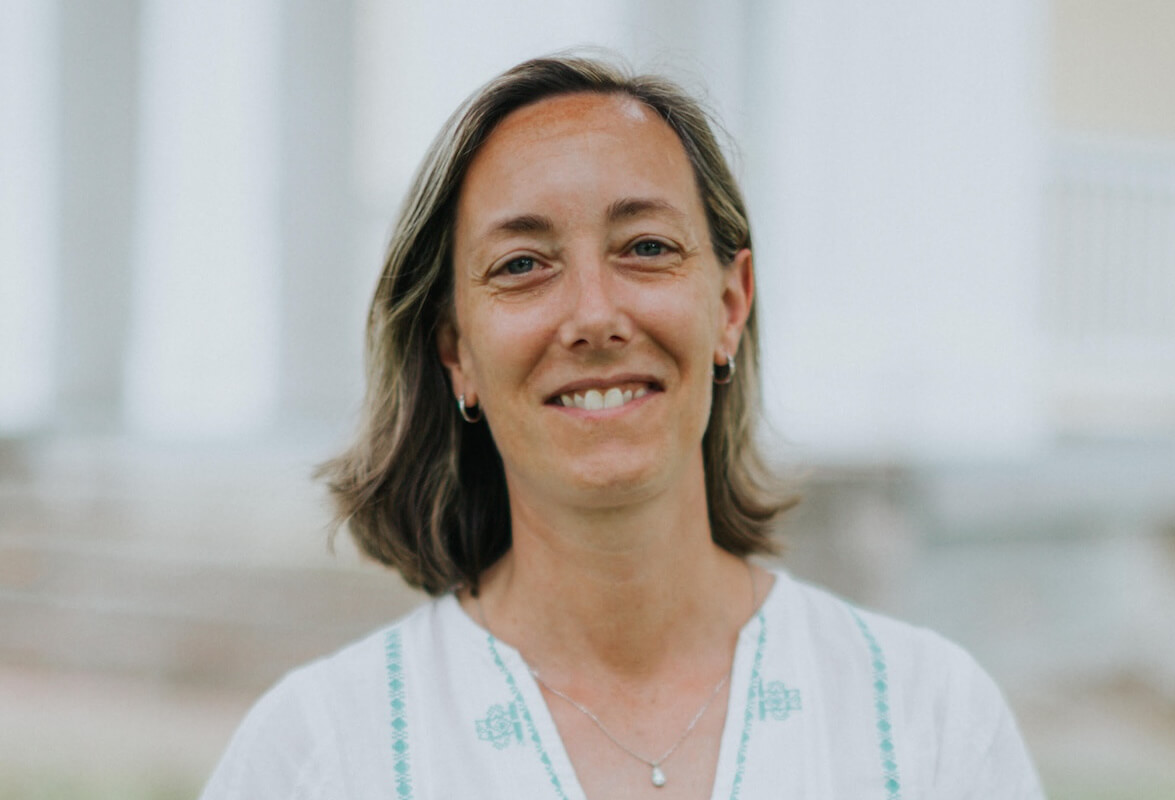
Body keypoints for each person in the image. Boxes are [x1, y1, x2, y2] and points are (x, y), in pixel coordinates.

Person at [200, 54, 1044, 799]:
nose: (595, 317)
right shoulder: (322, 755)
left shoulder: (927, 722)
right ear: (456, 351)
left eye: (645, 247)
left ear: (728, 303)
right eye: (522, 266)